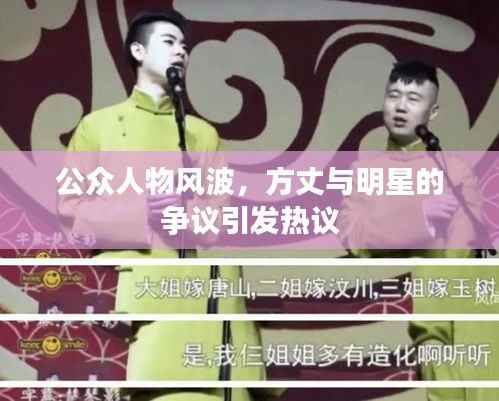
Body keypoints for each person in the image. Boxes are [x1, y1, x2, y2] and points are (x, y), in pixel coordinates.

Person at [58, 9, 272, 401]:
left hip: (205, 300)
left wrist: (184, 214)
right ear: (138, 51)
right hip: (138, 300)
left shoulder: (202, 134)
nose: (181, 52)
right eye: (169, 42)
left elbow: (219, 217)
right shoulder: (98, 127)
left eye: (185, 46)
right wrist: (142, 213)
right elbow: (72, 215)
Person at [339, 60, 499, 401]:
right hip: (413, 308)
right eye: (393, 95)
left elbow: (463, 244)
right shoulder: (363, 171)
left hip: (457, 304)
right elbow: (353, 236)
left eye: (413, 99)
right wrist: (420, 218)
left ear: (433, 112)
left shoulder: (454, 169)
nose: (400, 106)